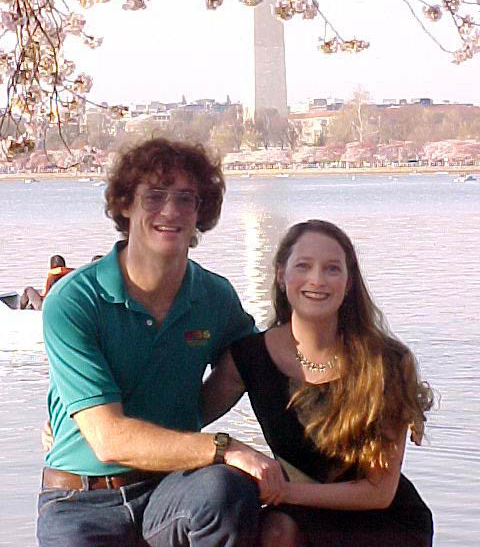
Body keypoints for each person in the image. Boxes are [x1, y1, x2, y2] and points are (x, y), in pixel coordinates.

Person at [38, 138, 285, 547]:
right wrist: (222, 447)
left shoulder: (214, 297)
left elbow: (260, 361)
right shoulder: (74, 301)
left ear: (200, 212)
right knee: (228, 464)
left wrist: (380, 387)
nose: (170, 211)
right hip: (80, 501)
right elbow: (108, 438)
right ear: (125, 205)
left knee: (227, 490)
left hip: (171, 491)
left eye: (186, 198)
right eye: (154, 196)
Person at [203, 219, 434, 547]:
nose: (317, 280)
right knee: (274, 533)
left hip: (381, 521)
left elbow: (378, 493)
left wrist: (278, 490)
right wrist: (229, 450)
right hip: (297, 513)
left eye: (332, 269)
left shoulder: (387, 363)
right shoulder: (249, 357)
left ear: (349, 282)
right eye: (303, 266)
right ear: (281, 276)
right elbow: (189, 416)